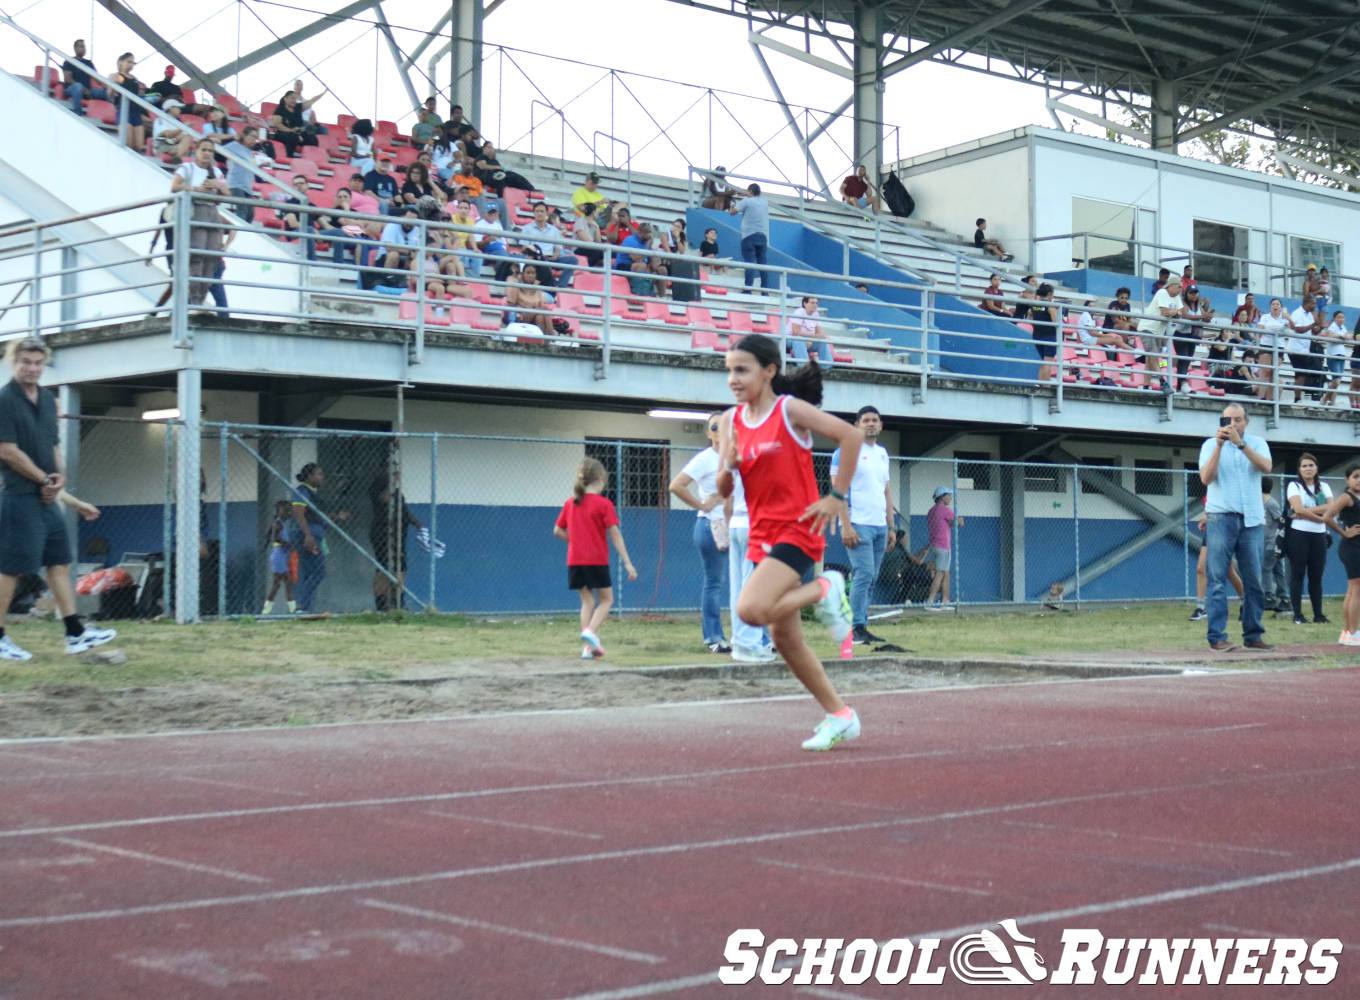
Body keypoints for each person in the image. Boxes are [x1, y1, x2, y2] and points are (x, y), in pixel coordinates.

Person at [714, 333, 863, 750]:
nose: (733, 379)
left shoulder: (789, 410)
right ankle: (840, 715)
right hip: (761, 533)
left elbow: (850, 437)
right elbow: (726, 487)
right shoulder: (730, 421)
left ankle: (826, 587)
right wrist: (730, 463)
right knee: (785, 639)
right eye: (729, 370)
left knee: (750, 609)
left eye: (741, 370)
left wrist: (836, 497)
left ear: (769, 371)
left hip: (798, 529)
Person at [0, 338, 117, 661]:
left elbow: (53, 446)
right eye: (26, 362)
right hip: (19, 496)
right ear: (14, 361)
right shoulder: (5, 400)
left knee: (59, 563)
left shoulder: (49, 402)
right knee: (11, 568)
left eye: (38, 363)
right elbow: (7, 450)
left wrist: (61, 478)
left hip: (47, 498)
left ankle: (75, 633)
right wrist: (43, 479)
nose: (32, 368)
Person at [1199, 403, 1273, 651]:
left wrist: (1241, 445)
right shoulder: (1210, 445)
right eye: (1228, 419)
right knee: (1217, 578)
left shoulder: (1258, 443)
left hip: (1251, 518)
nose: (1233, 424)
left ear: (1246, 422)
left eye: (1238, 419)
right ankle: (1217, 637)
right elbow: (1206, 478)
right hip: (1221, 516)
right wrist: (1220, 445)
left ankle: (1253, 635)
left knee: (1254, 580)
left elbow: (1266, 467)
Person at [553, 458, 637, 659]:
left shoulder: (570, 503)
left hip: (575, 561)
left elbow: (557, 530)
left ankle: (588, 648)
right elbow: (615, 534)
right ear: (601, 479)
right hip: (596, 560)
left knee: (587, 602)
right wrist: (627, 562)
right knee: (607, 600)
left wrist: (574, 542)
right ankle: (590, 632)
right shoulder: (604, 504)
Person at [831, 405, 896, 645]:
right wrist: (846, 526)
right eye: (866, 420)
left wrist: (891, 527)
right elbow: (838, 490)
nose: (871, 423)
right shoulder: (846, 452)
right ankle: (854, 627)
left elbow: (887, 491)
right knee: (864, 574)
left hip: (879, 526)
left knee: (872, 577)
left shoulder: (882, 453)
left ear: (880, 425)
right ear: (856, 425)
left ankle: (862, 625)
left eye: (875, 420)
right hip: (858, 524)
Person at [669, 416, 732, 653]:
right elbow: (676, 485)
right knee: (714, 582)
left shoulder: (737, 456)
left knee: (748, 580)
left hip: (737, 524)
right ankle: (714, 637)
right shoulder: (706, 459)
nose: (719, 431)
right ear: (708, 433)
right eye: (714, 427)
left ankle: (753, 637)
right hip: (711, 524)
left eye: (724, 426)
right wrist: (702, 504)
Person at [171, 138, 231, 308]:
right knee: (196, 257)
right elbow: (174, 186)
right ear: (196, 151)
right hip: (195, 211)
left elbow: (227, 195)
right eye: (204, 149)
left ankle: (200, 299)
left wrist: (216, 186)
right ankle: (193, 301)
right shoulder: (187, 167)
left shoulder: (216, 171)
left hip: (212, 213)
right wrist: (195, 189)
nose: (207, 153)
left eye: (210, 151)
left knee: (212, 257)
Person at [723, 464, 773, 662]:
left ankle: (741, 641)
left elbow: (728, 497)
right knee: (753, 587)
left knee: (739, 588)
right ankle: (749, 645)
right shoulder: (762, 456)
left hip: (737, 521)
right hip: (754, 523)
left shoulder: (738, 453)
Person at [1285, 452, 1333, 626]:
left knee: (1316, 576)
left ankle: (1318, 614)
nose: (1307, 469)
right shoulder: (1294, 486)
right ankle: (1297, 614)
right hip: (1299, 534)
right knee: (1297, 574)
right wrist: (1320, 517)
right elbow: (1297, 507)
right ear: (1299, 469)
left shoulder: (1324, 486)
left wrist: (1305, 512)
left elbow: (1331, 507)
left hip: (1319, 535)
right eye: (1304, 466)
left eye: (1311, 465)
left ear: (1316, 468)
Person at [370, 459, 422, 612]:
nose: (397, 472)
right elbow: (383, 500)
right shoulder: (378, 486)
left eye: (397, 469)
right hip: (383, 535)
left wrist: (418, 524)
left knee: (400, 569)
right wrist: (393, 484)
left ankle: (398, 604)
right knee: (384, 570)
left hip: (399, 536)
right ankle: (380, 606)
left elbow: (404, 511)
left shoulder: (397, 491)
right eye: (393, 469)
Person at [288, 462, 340, 614]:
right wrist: (308, 536)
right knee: (318, 571)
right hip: (307, 535)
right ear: (309, 476)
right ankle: (302, 605)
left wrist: (336, 516)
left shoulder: (313, 494)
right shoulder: (302, 491)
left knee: (309, 572)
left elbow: (316, 515)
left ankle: (306, 608)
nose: (321, 477)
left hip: (314, 534)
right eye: (319, 474)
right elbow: (299, 513)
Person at [1320, 464, 1360, 645]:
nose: (1359, 480)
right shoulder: (1346, 497)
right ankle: (1353, 632)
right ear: (1347, 479)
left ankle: (1346, 632)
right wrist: (1344, 533)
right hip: (1352, 547)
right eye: (1356, 476)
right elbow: (1327, 516)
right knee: (1356, 589)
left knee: (1353, 590)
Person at [1188, 513, 1243, 622]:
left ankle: (1246, 602)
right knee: (1201, 568)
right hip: (1212, 528)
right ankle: (1200, 608)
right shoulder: (1211, 496)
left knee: (1229, 571)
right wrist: (1206, 517)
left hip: (1226, 527)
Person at [1136, 273, 1184, 390]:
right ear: (1171, 285)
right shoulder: (1162, 292)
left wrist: (1175, 312)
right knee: (1153, 355)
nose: (1181, 289)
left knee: (1150, 359)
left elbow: (1181, 313)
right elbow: (1165, 313)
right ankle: (1162, 381)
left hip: (1159, 331)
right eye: (1179, 287)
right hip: (1148, 327)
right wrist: (1176, 312)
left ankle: (1146, 385)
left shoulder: (1176, 297)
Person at [918, 486, 962, 610]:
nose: (950, 498)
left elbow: (944, 525)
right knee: (940, 573)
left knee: (945, 573)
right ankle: (930, 601)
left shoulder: (932, 511)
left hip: (934, 545)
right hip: (943, 546)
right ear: (942, 497)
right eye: (948, 495)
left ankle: (945, 601)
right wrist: (960, 521)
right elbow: (958, 522)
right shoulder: (945, 510)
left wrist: (954, 523)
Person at [519, 202, 579, 288]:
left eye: (542, 211)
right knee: (544, 263)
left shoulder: (554, 230)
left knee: (573, 260)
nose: (539, 213)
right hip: (537, 258)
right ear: (534, 213)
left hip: (551, 258)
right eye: (537, 211)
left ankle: (561, 285)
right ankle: (553, 284)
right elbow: (524, 247)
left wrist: (555, 255)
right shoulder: (527, 228)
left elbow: (557, 247)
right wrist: (537, 254)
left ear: (546, 213)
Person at [729, 183, 770, 293]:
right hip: (762, 235)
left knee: (749, 262)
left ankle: (748, 288)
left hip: (749, 235)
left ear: (750, 192)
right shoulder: (765, 202)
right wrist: (746, 193)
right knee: (763, 264)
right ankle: (765, 290)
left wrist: (732, 205)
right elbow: (755, 199)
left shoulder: (746, 201)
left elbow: (732, 212)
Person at [1286, 295, 1325, 404]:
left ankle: (1298, 398)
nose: (1315, 305)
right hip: (1295, 349)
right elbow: (1297, 329)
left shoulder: (1310, 315)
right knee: (1301, 374)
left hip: (1304, 349)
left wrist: (1321, 327)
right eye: (1313, 303)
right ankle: (1297, 399)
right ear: (1306, 303)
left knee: (1303, 374)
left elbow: (1312, 332)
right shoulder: (1297, 313)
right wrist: (1313, 325)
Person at [1260, 478, 1290, 616]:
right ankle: (1284, 598)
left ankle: (1269, 596)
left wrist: (1280, 540)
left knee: (1266, 569)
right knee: (1278, 570)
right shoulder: (1263, 503)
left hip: (1273, 542)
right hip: (1267, 541)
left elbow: (1281, 521)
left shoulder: (1271, 503)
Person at [220, 126, 262, 223]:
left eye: (256, 138)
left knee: (250, 214)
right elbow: (220, 151)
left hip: (247, 187)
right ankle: (239, 233)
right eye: (252, 136)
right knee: (242, 210)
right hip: (236, 184)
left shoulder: (251, 153)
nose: (254, 140)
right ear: (244, 135)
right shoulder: (234, 145)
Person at [262, 500, 296, 615]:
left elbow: (267, 535)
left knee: (281, 583)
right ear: (278, 511)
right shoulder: (278, 523)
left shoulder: (281, 523)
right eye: (286, 510)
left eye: (290, 511)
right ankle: (292, 609)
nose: (289, 513)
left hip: (281, 554)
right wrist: (286, 544)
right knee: (284, 582)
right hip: (279, 555)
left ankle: (268, 609)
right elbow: (273, 537)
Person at [109, 52, 146, 154]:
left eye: (132, 62)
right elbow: (110, 94)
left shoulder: (135, 79)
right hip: (124, 110)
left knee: (138, 145)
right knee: (127, 142)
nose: (131, 64)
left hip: (135, 111)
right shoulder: (115, 76)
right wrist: (114, 86)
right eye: (128, 61)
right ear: (121, 62)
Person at [1255, 298, 1289, 401]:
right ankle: (1261, 397)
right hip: (1266, 344)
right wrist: (1271, 330)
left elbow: (1289, 329)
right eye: (1273, 304)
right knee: (1265, 371)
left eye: (1277, 304)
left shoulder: (1284, 319)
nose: (1275, 306)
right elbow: (1260, 329)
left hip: (1279, 346)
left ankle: (1270, 399)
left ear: (1280, 307)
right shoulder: (1265, 317)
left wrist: (1288, 317)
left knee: (1273, 373)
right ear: (1270, 307)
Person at [61, 39, 106, 116]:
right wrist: (83, 89)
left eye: (84, 47)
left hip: (88, 91)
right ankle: (78, 112)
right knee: (78, 86)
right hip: (72, 90)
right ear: (75, 48)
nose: (83, 49)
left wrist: (107, 87)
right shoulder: (69, 61)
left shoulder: (89, 63)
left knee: (107, 93)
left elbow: (97, 78)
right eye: (81, 46)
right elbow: (68, 79)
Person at [785, 294, 832, 365]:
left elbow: (818, 335)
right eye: (812, 303)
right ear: (805, 303)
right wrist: (810, 338)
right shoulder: (799, 312)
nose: (815, 305)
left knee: (823, 342)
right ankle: (805, 369)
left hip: (807, 341)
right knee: (799, 340)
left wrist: (822, 337)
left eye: (816, 303)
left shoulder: (816, 314)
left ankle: (827, 368)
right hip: (790, 339)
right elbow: (796, 332)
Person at [1030, 282, 1060, 382]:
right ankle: (1045, 386)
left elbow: (1031, 318)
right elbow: (1055, 322)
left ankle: (1040, 384)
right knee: (1048, 363)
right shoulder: (1050, 306)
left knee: (1043, 362)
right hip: (1049, 336)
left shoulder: (1035, 305)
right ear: (1049, 294)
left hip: (1037, 336)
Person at [1322, 310, 1350, 406]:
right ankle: (1324, 398)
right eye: (1339, 317)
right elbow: (1329, 335)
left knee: (1336, 381)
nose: (1341, 319)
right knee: (1336, 381)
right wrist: (1339, 336)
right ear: (1334, 318)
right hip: (1333, 355)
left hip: (1341, 356)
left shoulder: (1343, 327)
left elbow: (1348, 336)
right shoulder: (1332, 326)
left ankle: (1332, 401)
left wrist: (1343, 336)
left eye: (1342, 317)